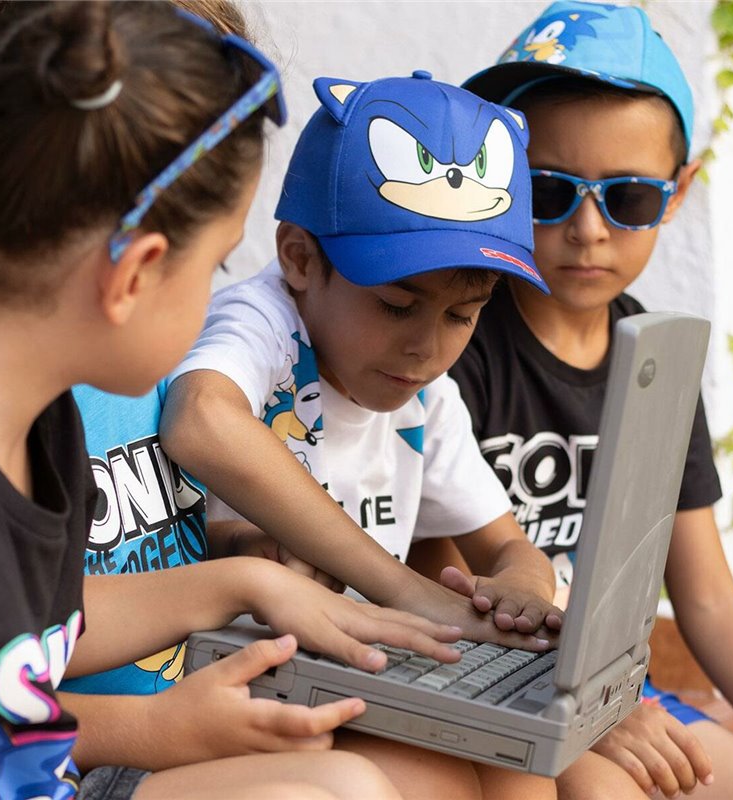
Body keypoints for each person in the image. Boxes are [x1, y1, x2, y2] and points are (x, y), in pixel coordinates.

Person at [0, 4, 465, 798]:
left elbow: (31, 638)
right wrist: (153, 731)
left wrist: (241, 584)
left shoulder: (42, 424)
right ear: (134, 276)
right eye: (216, 270)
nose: (216, 306)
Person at [160, 69, 563, 799]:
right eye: (396, 304)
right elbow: (200, 420)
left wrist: (523, 590)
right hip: (225, 694)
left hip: (349, 670)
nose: (426, 348)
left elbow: (506, 544)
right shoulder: (262, 321)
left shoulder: (425, 397)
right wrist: (404, 591)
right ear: (300, 259)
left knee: (527, 773)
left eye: (461, 315)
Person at [435, 2, 733, 799]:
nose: (588, 229)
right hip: (492, 683)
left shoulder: (658, 355)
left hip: (617, 693)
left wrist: (614, 707)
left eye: (630, 198)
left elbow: (709, 601)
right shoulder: (450, 339)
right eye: (548, 191)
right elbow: (438, 589)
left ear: (676, 196)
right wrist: (590, 711)